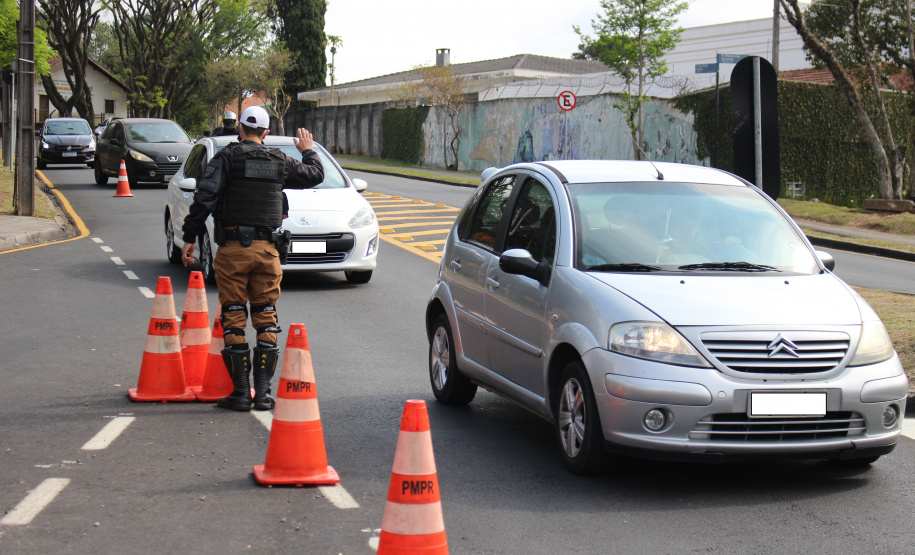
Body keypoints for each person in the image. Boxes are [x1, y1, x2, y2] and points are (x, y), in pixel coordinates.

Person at [181, 105, 324, 411]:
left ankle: (242, 393)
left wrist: (189, 237)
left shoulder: (227, 158)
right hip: (268, 251)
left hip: (233, 250)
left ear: (239, 129)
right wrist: (308, 150)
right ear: (266, 133)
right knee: (266, 315)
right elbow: (315, 175)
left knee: (233, 316)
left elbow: (204, 198)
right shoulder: (279, 161)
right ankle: (264, 393)